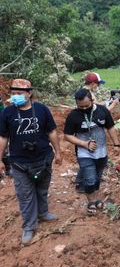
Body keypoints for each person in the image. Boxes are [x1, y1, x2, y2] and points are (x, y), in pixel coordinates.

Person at [0, 79, 62, 244]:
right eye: (13, 94)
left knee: (42, 188)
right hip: (19, 162)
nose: (15, 97)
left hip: (43, 159)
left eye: (19, 93)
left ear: (29, 93)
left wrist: (58, 152)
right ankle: (29, 226)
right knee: (25, 195)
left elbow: (52, 132)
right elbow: (3, 137)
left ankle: (43, 213)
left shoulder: (42, 109)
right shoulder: (7, 113)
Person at [64, 88, 120, 214]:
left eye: (86, 106)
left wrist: (116, 144)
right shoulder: (73, 116)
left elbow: (110, 127)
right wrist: (84, 143)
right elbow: (67, 135)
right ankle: (91, 202)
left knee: (97, 177)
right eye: (80, 107)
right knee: (89, 179)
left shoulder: (102, 111)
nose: (84, 109)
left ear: (92, 100)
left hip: (101, 151)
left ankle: (96, 198)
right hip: (84, 153)